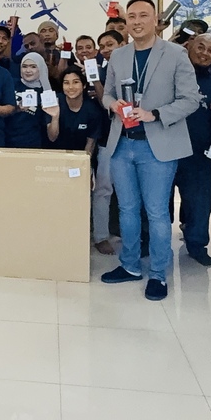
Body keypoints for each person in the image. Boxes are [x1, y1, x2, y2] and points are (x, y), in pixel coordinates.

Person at [100, 0, 200, 301]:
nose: (137, 21)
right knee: (127, 210)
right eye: (131, 16)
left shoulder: (176, 54)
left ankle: (158, 274)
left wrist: (154, 114)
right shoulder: (119, 55)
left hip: (157, 146)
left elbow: (191, 99)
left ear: (155, 20)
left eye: (143, 15)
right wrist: (113, 105)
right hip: (122, 144)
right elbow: (106, 95)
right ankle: (130, 265)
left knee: (156, 213)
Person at [173, 33, 211, 267]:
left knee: (200, 203)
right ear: (189, 47)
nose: (204, 53)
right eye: (201, 47)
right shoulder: (172, 74)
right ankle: (153, 243)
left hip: (199, 154)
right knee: (158, 204)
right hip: (166, 150)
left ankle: (197, 245)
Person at [91, 29, 126, 254]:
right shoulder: (99, 72)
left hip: (135, 137)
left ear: (122, 44)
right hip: (108, 137)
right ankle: (101, 235)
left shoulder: (133, 68)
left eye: (110, 44)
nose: (105, 50)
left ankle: (132, 235)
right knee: (103, 189)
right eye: (102, 46)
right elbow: (105, 102)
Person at [5, 52, 55, 148]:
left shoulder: (46, 93)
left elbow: (50, 129)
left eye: (33, 67)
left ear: (40, 68)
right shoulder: (11, 84)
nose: (28, 70)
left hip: (30, 144)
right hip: (5, 141)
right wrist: (16, 108)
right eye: (24, 66)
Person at [49, 66, 100, 155]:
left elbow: (90, 144)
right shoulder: (55, 102)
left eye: (76, 82)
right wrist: (55, 116)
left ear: (84, 85)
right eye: (66, 83)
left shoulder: (92, 109)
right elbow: (52, 137)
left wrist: (82, 161)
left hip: (80, 156)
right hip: (54, 155)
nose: (71, 87)